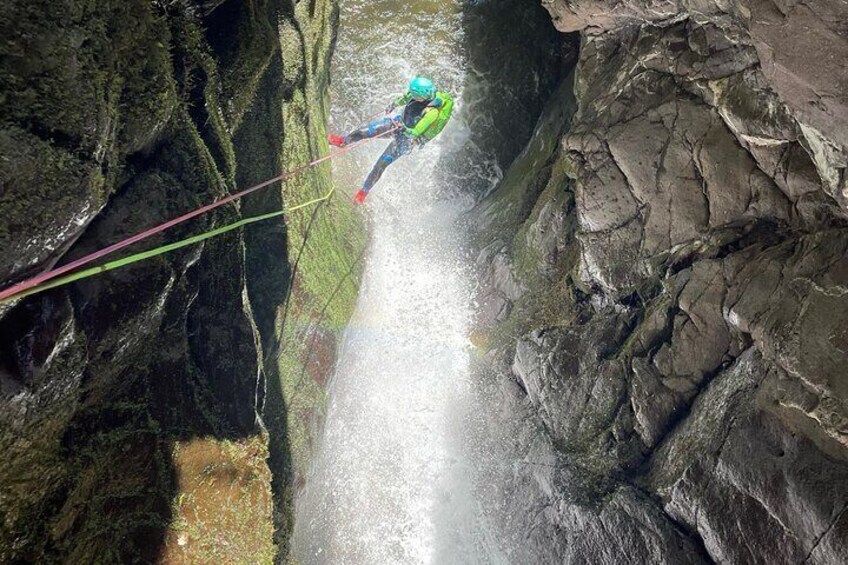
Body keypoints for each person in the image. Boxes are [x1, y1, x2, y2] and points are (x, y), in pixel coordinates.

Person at [328, 76, 454, 204]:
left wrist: (406, 130)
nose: (412, 96)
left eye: (415, 95)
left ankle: (363, 192)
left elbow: (417, 131)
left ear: (423, 95)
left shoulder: (432, 113)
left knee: (381, 164)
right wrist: (394, 104)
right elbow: (405, 98)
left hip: (407, 140)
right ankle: (342, 141)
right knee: (364, 131)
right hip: (398, 123)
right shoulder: (419, 94)